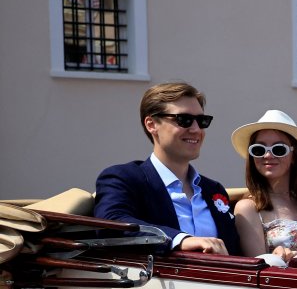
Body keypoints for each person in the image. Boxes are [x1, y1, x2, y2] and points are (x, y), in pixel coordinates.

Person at [95, 82, 241, 255]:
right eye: (184, 120)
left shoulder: (213, 189)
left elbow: (236, 251)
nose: (196, 129)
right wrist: (180, 240)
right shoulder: (124, 178)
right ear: (151, 124)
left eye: (202, 121)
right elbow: (111, 223)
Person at [231, 110, 297, 263]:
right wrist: (276, 257)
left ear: (294, 156)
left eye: (279, 149)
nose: (268, 155)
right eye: (259, 149)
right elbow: (258, 272)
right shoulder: (248, 208)